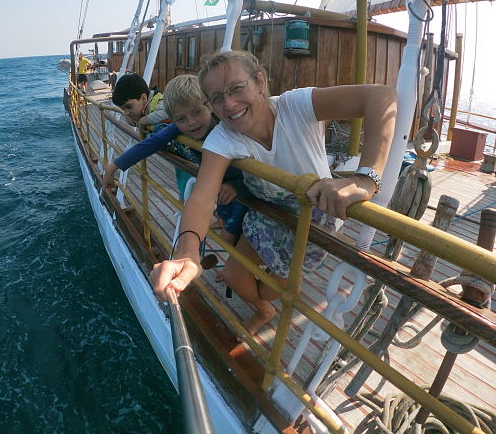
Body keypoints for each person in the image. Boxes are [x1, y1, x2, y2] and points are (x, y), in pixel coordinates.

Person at [149, 50, 397, 337]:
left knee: (269, 290)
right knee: (232, 276)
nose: (229, 104)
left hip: (311, 215)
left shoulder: (295, 105)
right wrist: (187, 254)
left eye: (237, 88)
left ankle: (271, 296)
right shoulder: (223, 137)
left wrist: (365, 178)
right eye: (217, 98)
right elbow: (203, 197)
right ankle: (265, 310)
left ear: (260, 82)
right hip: (268, 212)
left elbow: (381, 96)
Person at [104, 74, 249, 248]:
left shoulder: (228, 128)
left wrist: (237, 186)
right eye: (181, 119)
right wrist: (114, 166)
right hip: (222, 188)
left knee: (232, 236)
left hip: (246, 190)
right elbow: (152, 143)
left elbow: (257, 165)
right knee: (228, 224)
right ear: (173, 119)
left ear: (209, 105)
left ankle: (233, 271)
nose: (192, 123)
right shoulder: (179, 126)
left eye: (197, 111)